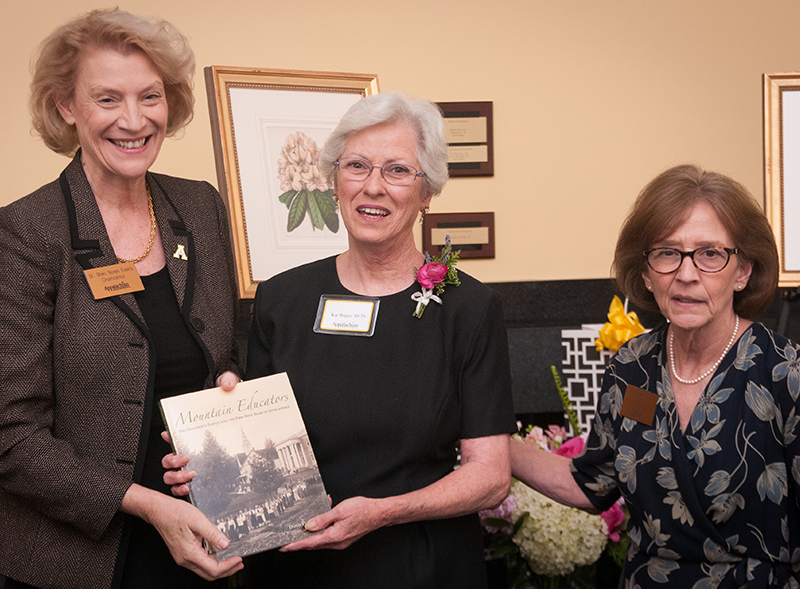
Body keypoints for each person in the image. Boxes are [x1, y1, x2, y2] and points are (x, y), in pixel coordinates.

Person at [166, 92, 516, 588]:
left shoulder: (468, 309)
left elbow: (490, 477)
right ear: (333, 180)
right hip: (296, 568)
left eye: (397, 170)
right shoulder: (282, 299)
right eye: (356, 165)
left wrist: (383, 513)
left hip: (419, 566)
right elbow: (259, 434)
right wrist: (206, 453)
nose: (373, 187)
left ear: (428, 191)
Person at [0, 8, 244, 589]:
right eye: (107, 99)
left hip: (205, 536)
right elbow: (10, 436)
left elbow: (228, 351)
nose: (134, 120)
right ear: (67, 106)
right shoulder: (27, 232)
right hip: (80, 560)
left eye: (149, 96)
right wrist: (149, 504)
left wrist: (230, 385)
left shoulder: (201, 208)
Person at [511, 164, 800, 587]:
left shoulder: (784, 371)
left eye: (710, 253)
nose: (686, 274)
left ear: (743, 271)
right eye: (667, 253)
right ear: (646, 272)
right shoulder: (631, 367)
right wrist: (494, 444)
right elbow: (593, 484)